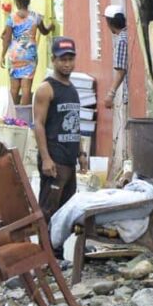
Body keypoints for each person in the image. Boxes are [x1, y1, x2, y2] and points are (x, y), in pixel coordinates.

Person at [33, 38, 88, 251]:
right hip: (54, 159)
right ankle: (44, 253)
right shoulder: (46, 89)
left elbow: (75, 121)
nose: (67, 64)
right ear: (54, 60)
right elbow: (38, 124)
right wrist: (46, 158)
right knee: (48, 208)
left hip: (69, 160)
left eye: (70, 59)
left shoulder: (72, 89)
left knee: (66, 210)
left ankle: (57, 252)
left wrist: (81, 153)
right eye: (62, 59)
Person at [0, 0, 54, 105]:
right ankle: (23, 118)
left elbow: (7, 38)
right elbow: (44, 31)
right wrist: (50, 27)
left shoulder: (11, 18)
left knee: (14, 89)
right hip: (29, 55)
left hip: (14, 55)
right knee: (26, 90)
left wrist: (2, 55)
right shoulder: (36, 17)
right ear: (28, 2)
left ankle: (13, 118)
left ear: (17, 2)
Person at [103, 4, 129, 180]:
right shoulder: (127, 35)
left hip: (127, 92)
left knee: (127, 133)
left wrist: (110, 94)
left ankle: (126, 172)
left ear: (110, 23)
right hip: (127, 91)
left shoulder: (121, 40)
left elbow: (121, 70)